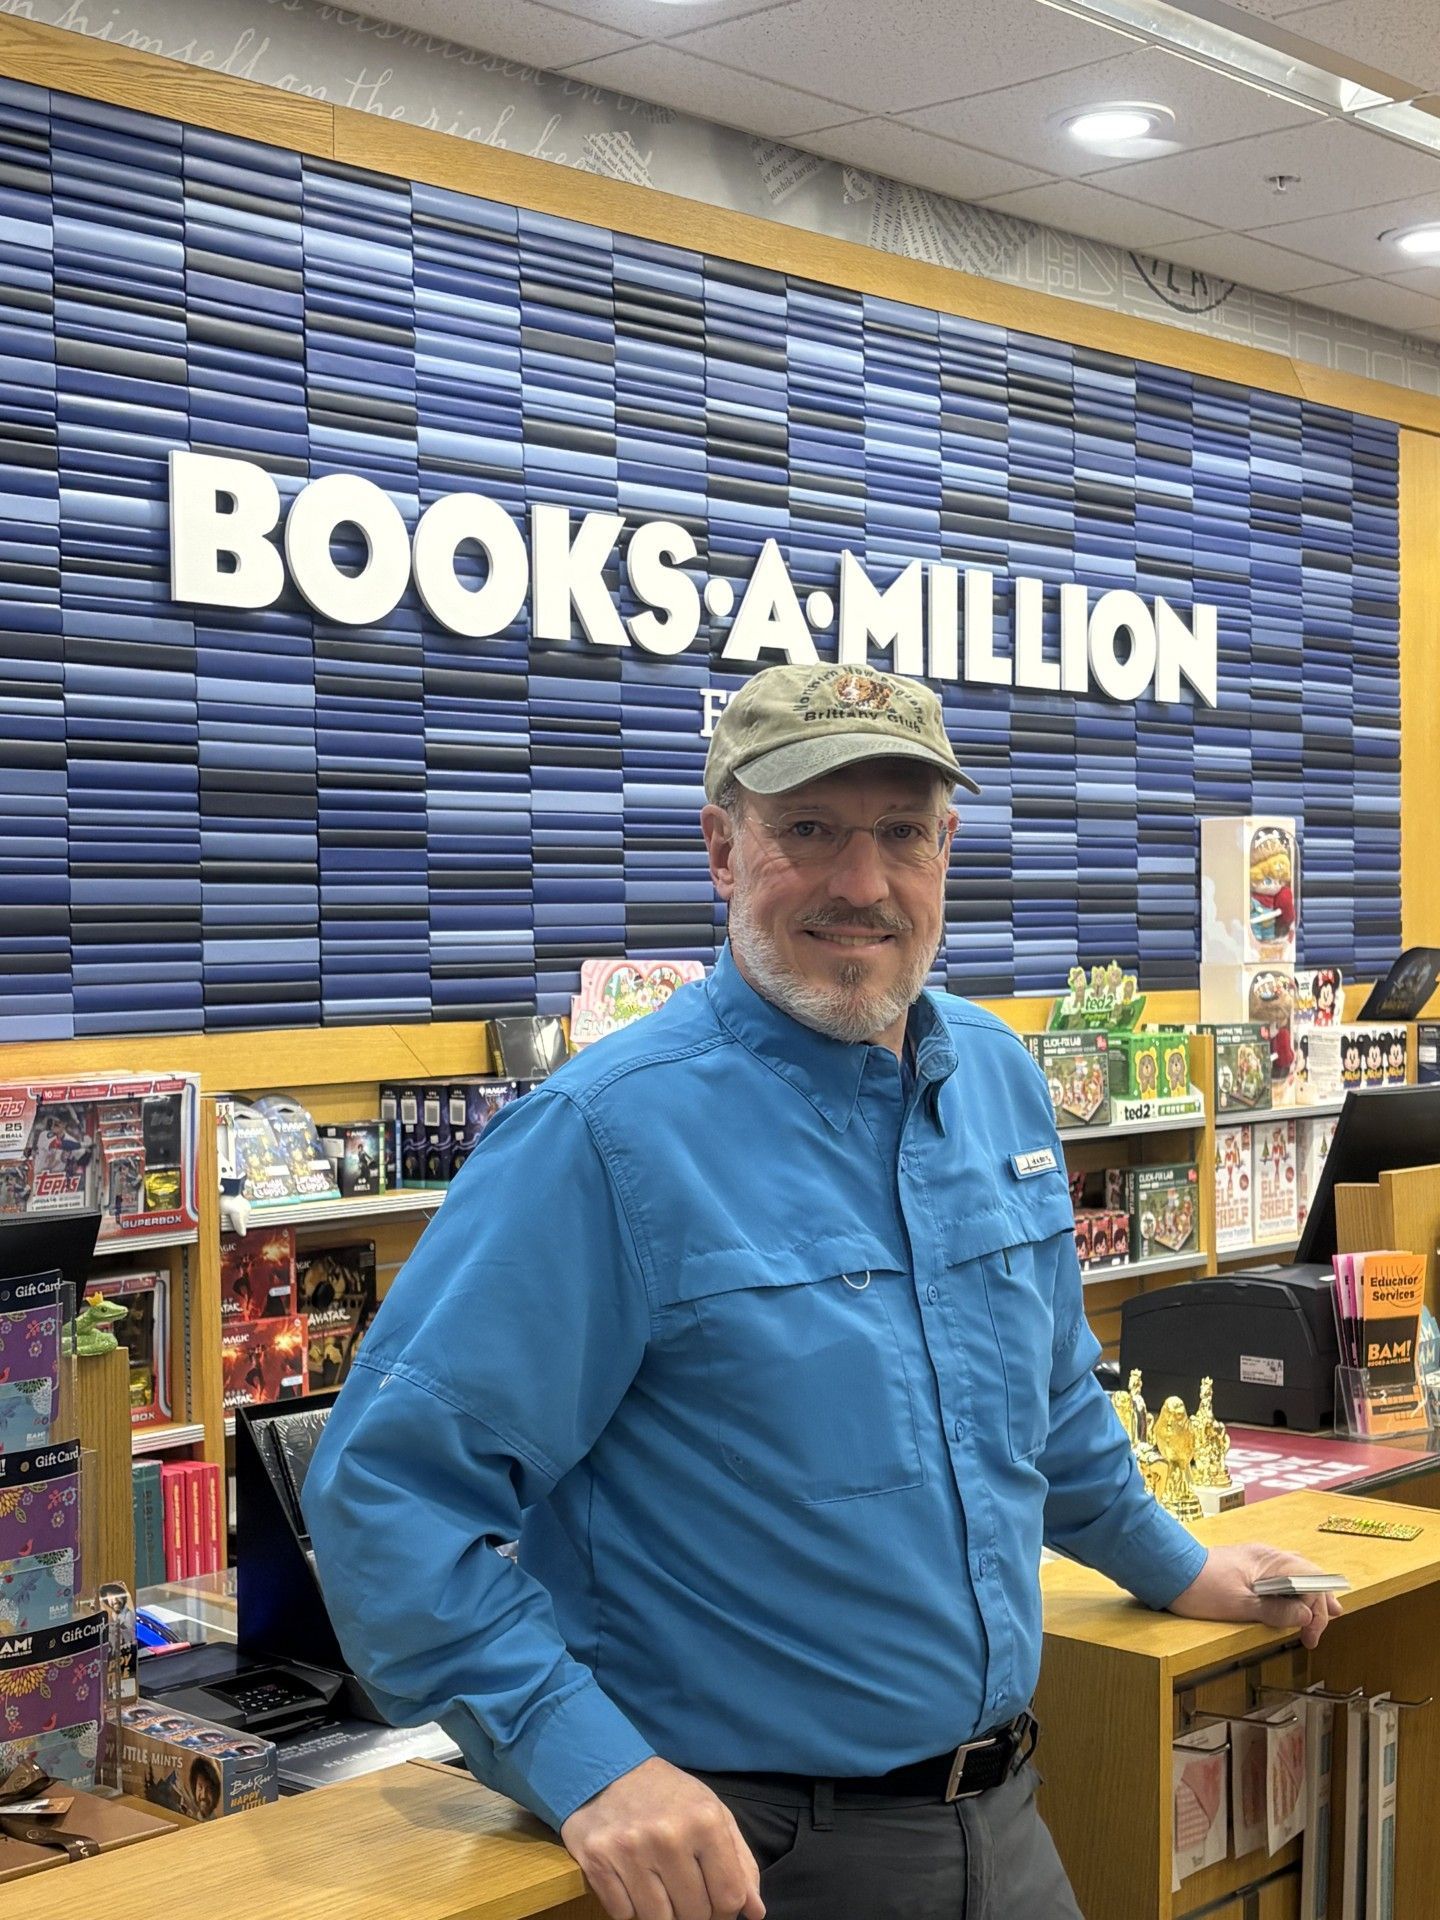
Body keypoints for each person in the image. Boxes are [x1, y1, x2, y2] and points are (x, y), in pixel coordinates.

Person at [303, 662, 1339, 1920]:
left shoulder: (1002, 1084)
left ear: (945, 848)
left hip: (1007, 1824)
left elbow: (1053, 1402)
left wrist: (1178, 1566)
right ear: (722, 851)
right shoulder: (603, 1138)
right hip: (751, 1860)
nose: (862, 883)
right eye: (809, 830)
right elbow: (386, 1498)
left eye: (901, 833)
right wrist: (586, 1763)